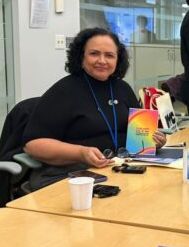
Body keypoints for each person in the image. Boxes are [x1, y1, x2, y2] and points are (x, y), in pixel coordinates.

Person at [23, 27, 166, 190]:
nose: (102, 61)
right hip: (73, 173)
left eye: (109, 55)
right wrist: (80, 153)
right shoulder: (64, 91)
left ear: (118, 60)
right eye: (94, 54)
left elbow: (140, 137)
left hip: (121, 168)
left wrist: (152, 141)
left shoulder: (123, 88)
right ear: (81, 56)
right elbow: (33, 145)